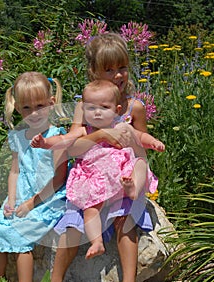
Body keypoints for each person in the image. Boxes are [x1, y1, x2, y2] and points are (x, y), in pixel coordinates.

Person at [0, 72, 68, 282]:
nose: (34, 113)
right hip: (23, 193)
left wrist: (30, 203)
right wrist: (12, 199)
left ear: (51, 103)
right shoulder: (18, 137)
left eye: (39, 106)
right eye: (27, 108)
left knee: (22, 235)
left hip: (48, 197)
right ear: (18, 109)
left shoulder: (57, 136)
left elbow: (59, 179)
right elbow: (15, 171)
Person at [66, 80, 164, 260]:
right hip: (98, 182)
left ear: (117, 110)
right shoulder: (84, 131)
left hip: (121, 177)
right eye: (91, 108)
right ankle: (97, 241)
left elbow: (140, 136)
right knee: (90, 209)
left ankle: (133, 187)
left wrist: (153, 142)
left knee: (140, 162)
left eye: (104, 107)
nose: (97, 112)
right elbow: (71, 148)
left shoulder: (121, 127)